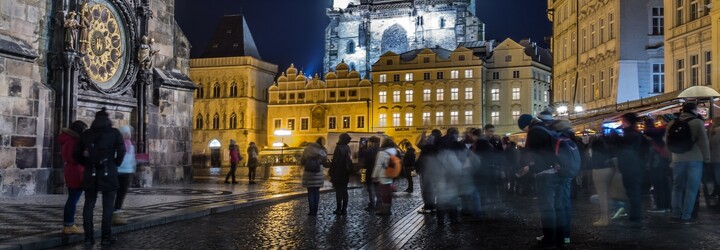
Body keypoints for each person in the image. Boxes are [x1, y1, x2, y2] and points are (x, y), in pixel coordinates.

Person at [73, 107, 125, 246]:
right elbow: (121, 151)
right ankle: (106, 237)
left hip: (91, 172)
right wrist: (115, 164)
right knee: (108, 206)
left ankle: (89, 237)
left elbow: (76, 153)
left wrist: (86, 163)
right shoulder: (114, 133)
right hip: (108, 171)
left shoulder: (87, 134)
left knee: (89, 204)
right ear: (108, 120)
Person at [516, 114, 568, 249]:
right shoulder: (547, 128)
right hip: (559, 172)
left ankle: (549, 240)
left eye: (524, 129)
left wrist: (526, 167)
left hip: (546, 175)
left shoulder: (535, 132)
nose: (525, 132)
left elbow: (536, 156)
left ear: (527, 125)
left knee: (547, 209)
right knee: (558, 207)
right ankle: (561, 239)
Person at [667, 103, 710, 224]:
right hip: (695, 158)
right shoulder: (697, 122)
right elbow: (704, 142)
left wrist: (672, 158)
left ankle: (675, 214)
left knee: (677, 187)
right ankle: (686, 216)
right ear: (694, 110)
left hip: (677, 159)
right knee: (692, 189)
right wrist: (707, 159)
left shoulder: (672, 123)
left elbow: (667, 141)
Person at [612, 112, 648, 226]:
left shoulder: (632, 135)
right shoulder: (634, 134)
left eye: (622, 121)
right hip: (633, 167)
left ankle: (634, 218)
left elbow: (626, 149)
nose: (621, 124)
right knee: (632, 192)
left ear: (627, 122)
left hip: (632, 168)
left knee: (633, 193)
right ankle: (632, 215)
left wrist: (615, 138)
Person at [59, 120, 88, 234]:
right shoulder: (74, 141)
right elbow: (75, 157)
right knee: (73, 199)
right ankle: (68, 224)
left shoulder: (67, 140)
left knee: (72, 198)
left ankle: (68, 224)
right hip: (77, 171)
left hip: (71, 170)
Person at [644, 118, 672, 213]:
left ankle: (661, 206)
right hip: (664, 160)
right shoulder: (665, 130)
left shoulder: (657, 132)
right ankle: (667, 205)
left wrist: (648, 123)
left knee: (658, 184)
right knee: (665, 184)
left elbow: (648, 131)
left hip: (657, 162)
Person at [589, 135, 615, 226]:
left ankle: (604, 219)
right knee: (608, 195)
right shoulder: (607, 146)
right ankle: (609, 218)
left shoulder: (594, 147)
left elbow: (590, 157)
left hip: (599, 169)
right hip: (609, 169)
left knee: (602, 196)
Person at [113, 125, 136, 226]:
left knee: (121, 193)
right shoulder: (116, 143)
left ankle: (117, 211)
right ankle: (113, 212)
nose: (127, 135)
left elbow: (131, 158)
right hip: (118, 171)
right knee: (114, 193)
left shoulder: (130, 145)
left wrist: (133, 166)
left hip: (127, 171)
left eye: (128, 133)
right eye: (126, 133)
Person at [301, 137, 328, 216]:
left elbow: (302, 160)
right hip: (318, 172)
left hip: (308, 172)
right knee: (316, 192)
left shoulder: (307, 149)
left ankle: (311, 211)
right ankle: (315, 210)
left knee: (310, 192)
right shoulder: (322, 150)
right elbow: (325, 162)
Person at [373, 139, 398, 215]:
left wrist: (374, 175)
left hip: (383, 174)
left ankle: (385, 210)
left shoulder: (382, 152)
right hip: (390, 173)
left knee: (384, 193)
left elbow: (378, 165)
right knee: (387, 193)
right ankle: (387, 209)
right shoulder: (394, 151)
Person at [329, 133, 353, 215]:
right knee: (344, 191)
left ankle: (338, 208)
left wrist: (331, 171)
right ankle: (344, 209)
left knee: (338, 192)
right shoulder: (347, 147)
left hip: (338, 172)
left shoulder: (338, 147)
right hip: (345, 172)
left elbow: (335, 161)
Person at [361, 136, 381, 211]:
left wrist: (363, 175)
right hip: (378, 173)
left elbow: (365, 164)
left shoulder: (369, 151)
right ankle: (378, 205)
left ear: (371, 142)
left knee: (370, 190)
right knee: (378, 190)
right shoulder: (380, 151)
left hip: (370, 172)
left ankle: (372, 204)